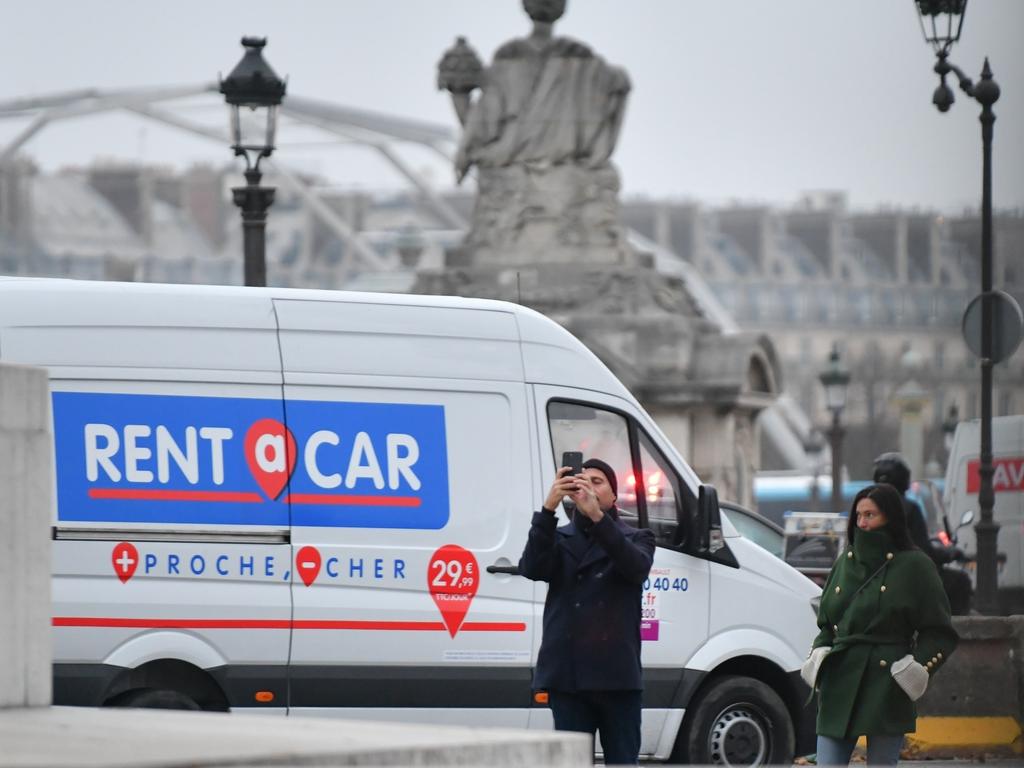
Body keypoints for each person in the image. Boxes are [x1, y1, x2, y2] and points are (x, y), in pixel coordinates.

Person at [801, 483, 958, 766]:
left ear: (890, 517)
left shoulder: (915, 566)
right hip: (841, 677)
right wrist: (819, 652)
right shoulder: (845, 562)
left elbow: (940, 632)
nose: (862, 523)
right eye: (858, 516)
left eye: (870, 515)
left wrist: (916, 668)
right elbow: (827, 622)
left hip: (887, 682)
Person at [519, 457, 655, 765]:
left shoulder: (638, 537)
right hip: (568, 677)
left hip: (617, 677)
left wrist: (596, 516)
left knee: (623, 760)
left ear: (613, 496)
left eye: (598, 482)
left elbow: (636, 568)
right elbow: (532, 567)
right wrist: (548, 509)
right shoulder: (559, 537)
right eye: (583, 481)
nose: (588, 488)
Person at [873, 452, 972, 613]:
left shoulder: (868, 506)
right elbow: (924, 552)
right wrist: (949, 553)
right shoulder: (909, 508)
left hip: (874, 578)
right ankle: (952, 632)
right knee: (960, 581)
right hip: (906, 578)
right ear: (903, 479)